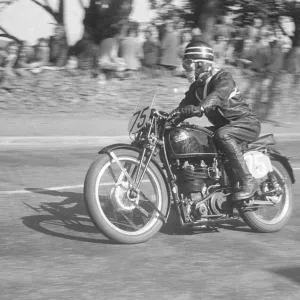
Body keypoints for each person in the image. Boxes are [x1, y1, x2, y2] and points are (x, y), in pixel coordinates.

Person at [172, 39, 261, 201]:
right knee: (198, 136)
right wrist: (167, 120)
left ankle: (249, 181)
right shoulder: (196, 89)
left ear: (200, 64)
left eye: (188, 64)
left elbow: (218, 95)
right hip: (225, 127)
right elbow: (182, 108)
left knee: (222, 135)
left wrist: (200, 108)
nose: (186, 69)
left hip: (246, 123)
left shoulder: (222, 77)